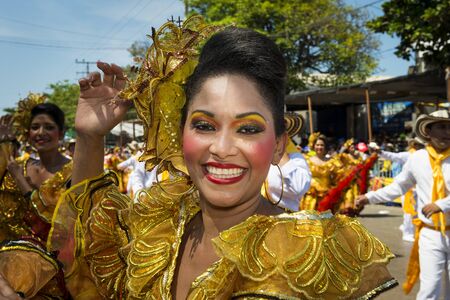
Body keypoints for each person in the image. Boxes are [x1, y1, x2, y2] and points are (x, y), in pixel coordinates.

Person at [0, 17, 396, 299]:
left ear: (278, 146)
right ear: (181, 134)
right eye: (205, 125)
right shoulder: (162, 224)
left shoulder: (308, 252)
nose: (222, 148)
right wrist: (90, 137)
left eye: (248, 128)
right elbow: (91, 255)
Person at [357, 109, 450, 299]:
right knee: (429, 287)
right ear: (428, 131)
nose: (447, 132)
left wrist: (442, 204)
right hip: (430, 233)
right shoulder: (417, 158)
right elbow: (398, 187)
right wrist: (369, 197)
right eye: (441, 127)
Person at [0, 99, 75, 298]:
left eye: (49, 127)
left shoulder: (73, 171)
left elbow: (54, 218)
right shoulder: (20, 166)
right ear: (28, 133)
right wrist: (5, 144)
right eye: (35, 127)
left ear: (61, 132)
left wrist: (20, 181)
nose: (41, 132)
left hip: (60, 264)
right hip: (14, 258)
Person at [263, 112, 311, 211]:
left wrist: (281, 154)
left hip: (283, 220)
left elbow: (299, 187)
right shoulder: (258, 156)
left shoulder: (294, 157)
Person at [300, 133, 344, 211]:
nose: (319, 147)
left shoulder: (332, 162)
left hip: (326, 198)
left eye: (322, 145)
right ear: (313, 146)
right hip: (311, 197)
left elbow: (339, 178)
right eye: (317, 145)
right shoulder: (307, 160)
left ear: (325, 147)